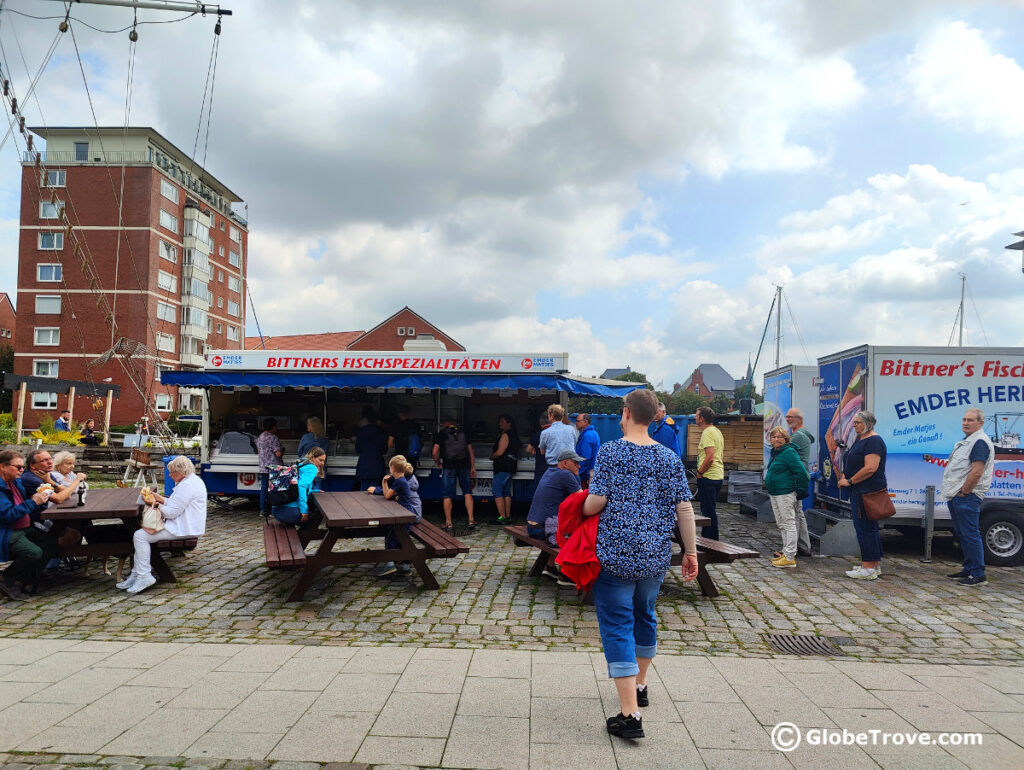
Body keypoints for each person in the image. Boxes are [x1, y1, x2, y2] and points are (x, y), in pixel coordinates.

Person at [583, 388, 697, 740]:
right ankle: (642, 684)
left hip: (615, 555)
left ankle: (629, 714)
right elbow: (684, 508)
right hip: (654, 556)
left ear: (627, 413)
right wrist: (691, 552)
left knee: (617, 624)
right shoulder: (668, 457)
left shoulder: (611, 451)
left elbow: (596, 502)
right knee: (645, 615)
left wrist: (584, 506)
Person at [117, 455, 207, 595]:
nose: (170, 475)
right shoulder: (190, 481)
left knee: (140, 536)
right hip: (184, 524)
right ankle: (137, 574)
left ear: (181, 472)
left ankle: (144, 576)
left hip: (184, 528)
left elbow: (171, 513)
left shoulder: (187, 485)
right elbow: (176, 504)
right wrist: (160, 498)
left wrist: (154, 504)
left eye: (172, 472)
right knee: (140, 534)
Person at [941, 408, 994, 587]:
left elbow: (977, 471)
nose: (966, 423)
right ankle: (969, 568)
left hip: (966, 496)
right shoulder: (968, 441)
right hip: (958, 495)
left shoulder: (979, 442)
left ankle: (978, 574)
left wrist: (964, 491)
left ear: (980, 423)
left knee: (970, 534)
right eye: (964, 419)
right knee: (962, 533)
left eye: (970, 420)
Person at [837, 410, 886, 580]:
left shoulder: (874, 441)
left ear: (868, 424)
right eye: (854, 422)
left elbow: (871, 467)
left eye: (857, 423)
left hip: (866, 491)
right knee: (867, 528)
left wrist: (850, 481)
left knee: (865, 528)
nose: (854, 425)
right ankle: (873, 564)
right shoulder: (862, 439)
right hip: (859, 491)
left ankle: (868, 567)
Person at [0, 450, 52, 601]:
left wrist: (38, 501)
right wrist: (33, 502)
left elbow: (24, 505)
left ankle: (26, 579)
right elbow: (7, 515)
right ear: (2, 466)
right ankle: (6, 579)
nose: (22, 471)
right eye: (18, 467)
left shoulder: (15, 483)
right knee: (33, 552)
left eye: (22, 467)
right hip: (7, 531)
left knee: (50, 542)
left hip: (23, 527)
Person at [526, 449, 583, 583]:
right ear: (564, 463)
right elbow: (583, 499)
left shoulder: (550, 471)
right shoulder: (565, 475)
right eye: (575, 463)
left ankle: (550, 566)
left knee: (560, 524)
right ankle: (567, 574)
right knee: (578, 535)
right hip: (542, 529)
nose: (578, 466)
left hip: (531, 526)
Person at [366, 454, 422, 577]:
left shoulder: (399, 482)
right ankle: (405, 566)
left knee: (391, 537)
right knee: (402, 540)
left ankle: (390, 564)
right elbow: (388, 495)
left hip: (403, 516)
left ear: (393, 468)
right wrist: (385, 483)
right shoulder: (401, 481)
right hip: (405, 514)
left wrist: (383, 482)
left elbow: (386, 496)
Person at [764, 427, 810, 568]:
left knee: (789, 523)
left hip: (785, 492)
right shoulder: (777, 452)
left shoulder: (789, 452)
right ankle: (786, 552)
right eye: (774, 437)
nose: (776, 439)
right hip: (776, 492)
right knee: (781, 523)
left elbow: (802, 473)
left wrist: (800, 490)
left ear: (786, 439)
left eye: (780, 437)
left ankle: (790, 556)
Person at [432, 417, 476, 531]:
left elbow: (434, 452)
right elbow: (470, 450)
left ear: (447, 423)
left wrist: (438, 463)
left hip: (449, 466)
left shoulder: (441, 433)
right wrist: (472, 466)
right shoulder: (463, 432)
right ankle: (471, 520)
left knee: (447, 495)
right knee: (467, 492)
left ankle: (449, 523)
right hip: (464, 466)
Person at [271, 447, 326, 527]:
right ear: (312, 458)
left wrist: (313, 491)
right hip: (290, 511)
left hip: (277, 511)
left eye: (324, 460)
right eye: (320, 460)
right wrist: (304, 511)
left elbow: (295, 487)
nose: (322, 463)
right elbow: (301, 487)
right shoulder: (312, 468)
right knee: (314, 521)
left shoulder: (300, 462)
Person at [694, 407, 725, 540]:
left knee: (708, 512)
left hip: (709, 476)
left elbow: (710, 457)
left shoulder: (708, 433)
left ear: (702, 418)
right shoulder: (716, 431)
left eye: (696, 415)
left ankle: (711, 541)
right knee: (709, 509)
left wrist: (700, 472)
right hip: (717, 475)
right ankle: (708, 538)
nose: (695, 417)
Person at [491, 414, 520, 524]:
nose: (499, 423)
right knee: (506, 491)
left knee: (497, 490)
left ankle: (502, 517)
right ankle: (508, 516)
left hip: (502, 466)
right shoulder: (514, 435)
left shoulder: (505, 435)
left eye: (502, 421)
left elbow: (499, 452)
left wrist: (492, 456)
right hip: (510, 466)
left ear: (509, 423)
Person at [355, 411, 388, 490]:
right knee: (375, 493)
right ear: (377, 420)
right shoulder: (381, 432)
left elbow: (357, 449)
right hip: (377, 465)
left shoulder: (361, 431)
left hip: (363, 465)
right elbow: (384, 449)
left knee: (363, 492)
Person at [256, 418, 283, 516]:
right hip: (274, 467)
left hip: (263, 467)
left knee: (264, 488)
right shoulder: (273, 438)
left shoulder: (260, 437)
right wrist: (282, 450)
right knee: (274, 489)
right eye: (276, 426)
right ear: (273, 426)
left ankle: (263, 510)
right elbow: (278, 453)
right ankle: (273, 510)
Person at [538, 404, 577, 471]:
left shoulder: (545, 433)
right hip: (570, 467)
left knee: (543, 481)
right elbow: (574, 443)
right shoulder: (571, 429)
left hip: (554, 468)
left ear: (552, 416)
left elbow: (542, 452)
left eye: (548, 415)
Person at [297, 417, 330, 492]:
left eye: (309, 424)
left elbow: (299, 452)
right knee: (317, 489)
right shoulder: (325, 439)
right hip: (319, 467)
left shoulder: (306, 437)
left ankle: (308, 503)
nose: (307, 426)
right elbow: (325, 454)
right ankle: (316, 503)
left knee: (305, 489)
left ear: (314, 426)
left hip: (306, 466)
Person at [574, 413, 601, 487]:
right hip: (590, 472)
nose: (575, 423)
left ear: (585, 422)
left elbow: (585, 458)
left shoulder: (587, 436)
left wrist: (578, 473)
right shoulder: (593, 433)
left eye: (577, 421)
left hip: (585, 475)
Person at [526, 414, 551, 484]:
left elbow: (528, 449)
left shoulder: (538, 434)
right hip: (555, 467)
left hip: (541, 467)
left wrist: (534, 450)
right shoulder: (555, 433)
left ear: (540, 423)